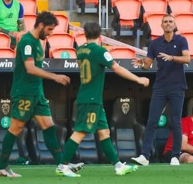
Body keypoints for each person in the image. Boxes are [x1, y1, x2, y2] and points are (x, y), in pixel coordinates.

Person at [55, 22, 150, 178]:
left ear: (84, 34)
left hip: (92, 98)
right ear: (100, 35)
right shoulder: (99, 51)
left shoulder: (80, 50)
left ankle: (118, 166)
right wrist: (138, 79)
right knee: (80, 131)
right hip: (90, 98)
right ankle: (63, 165)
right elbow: (116, 68)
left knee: (104, 132)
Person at [0, 11, 83, 177]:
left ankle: (61, 164)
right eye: (49, 29)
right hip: (24, 93)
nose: (50, 33)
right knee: (16, 127)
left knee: (49, 127)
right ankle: (1, 166)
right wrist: (54, 76)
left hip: (37, 93)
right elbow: (30, 68)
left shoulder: (37, 42)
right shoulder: (27, 42)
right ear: (41, 25)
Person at [131, 14, 191, 166]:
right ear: (161, 25)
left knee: (175, 121)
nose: (168, 24)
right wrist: (142, 63)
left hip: (177, 86)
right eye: (165, 22)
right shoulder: (155, 43)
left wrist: (172, 57)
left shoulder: (181, 40)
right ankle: (145, 156)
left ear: (174, 24)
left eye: (170, 21)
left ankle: (175, 156)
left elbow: (187, 59)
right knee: (152, 121)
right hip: (160, 87)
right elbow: (148, 64)